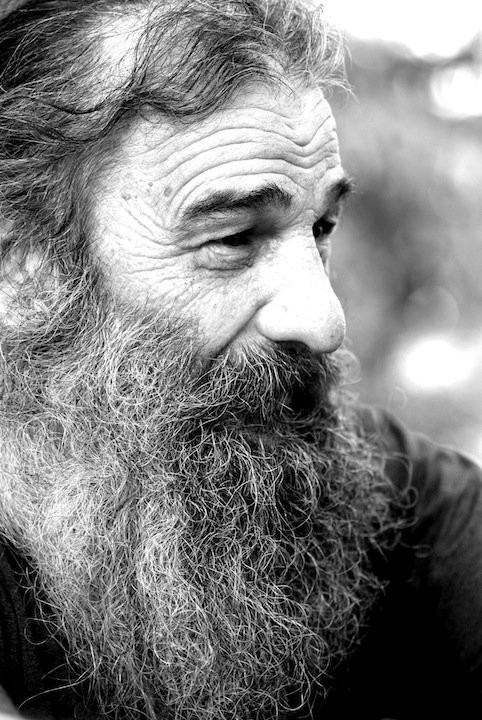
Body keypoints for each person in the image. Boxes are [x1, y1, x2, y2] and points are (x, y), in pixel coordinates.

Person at [0, 0, 481, 718]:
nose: (325, 320)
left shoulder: (398, 509)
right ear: (23, 271)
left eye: (321, 227)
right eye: (233, 239)